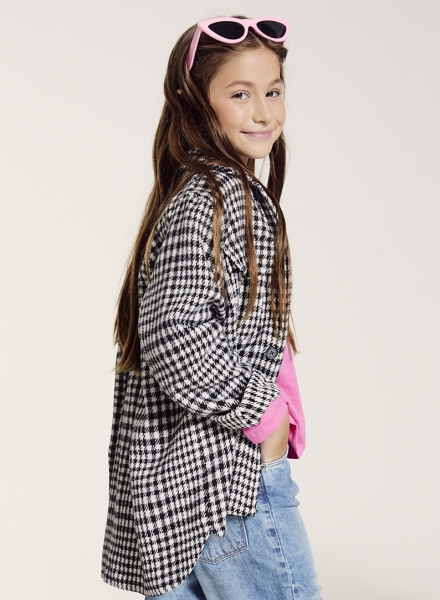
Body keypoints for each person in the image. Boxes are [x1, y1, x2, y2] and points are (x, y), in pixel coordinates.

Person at [101, 15, 323, 600]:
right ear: (196, 103)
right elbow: (175, 335)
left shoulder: (191, 194)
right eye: (240, 94)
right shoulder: (220, 196)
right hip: (227, 483)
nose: (264, 112)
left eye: (273, 91)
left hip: (184, 499)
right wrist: (265, 417)